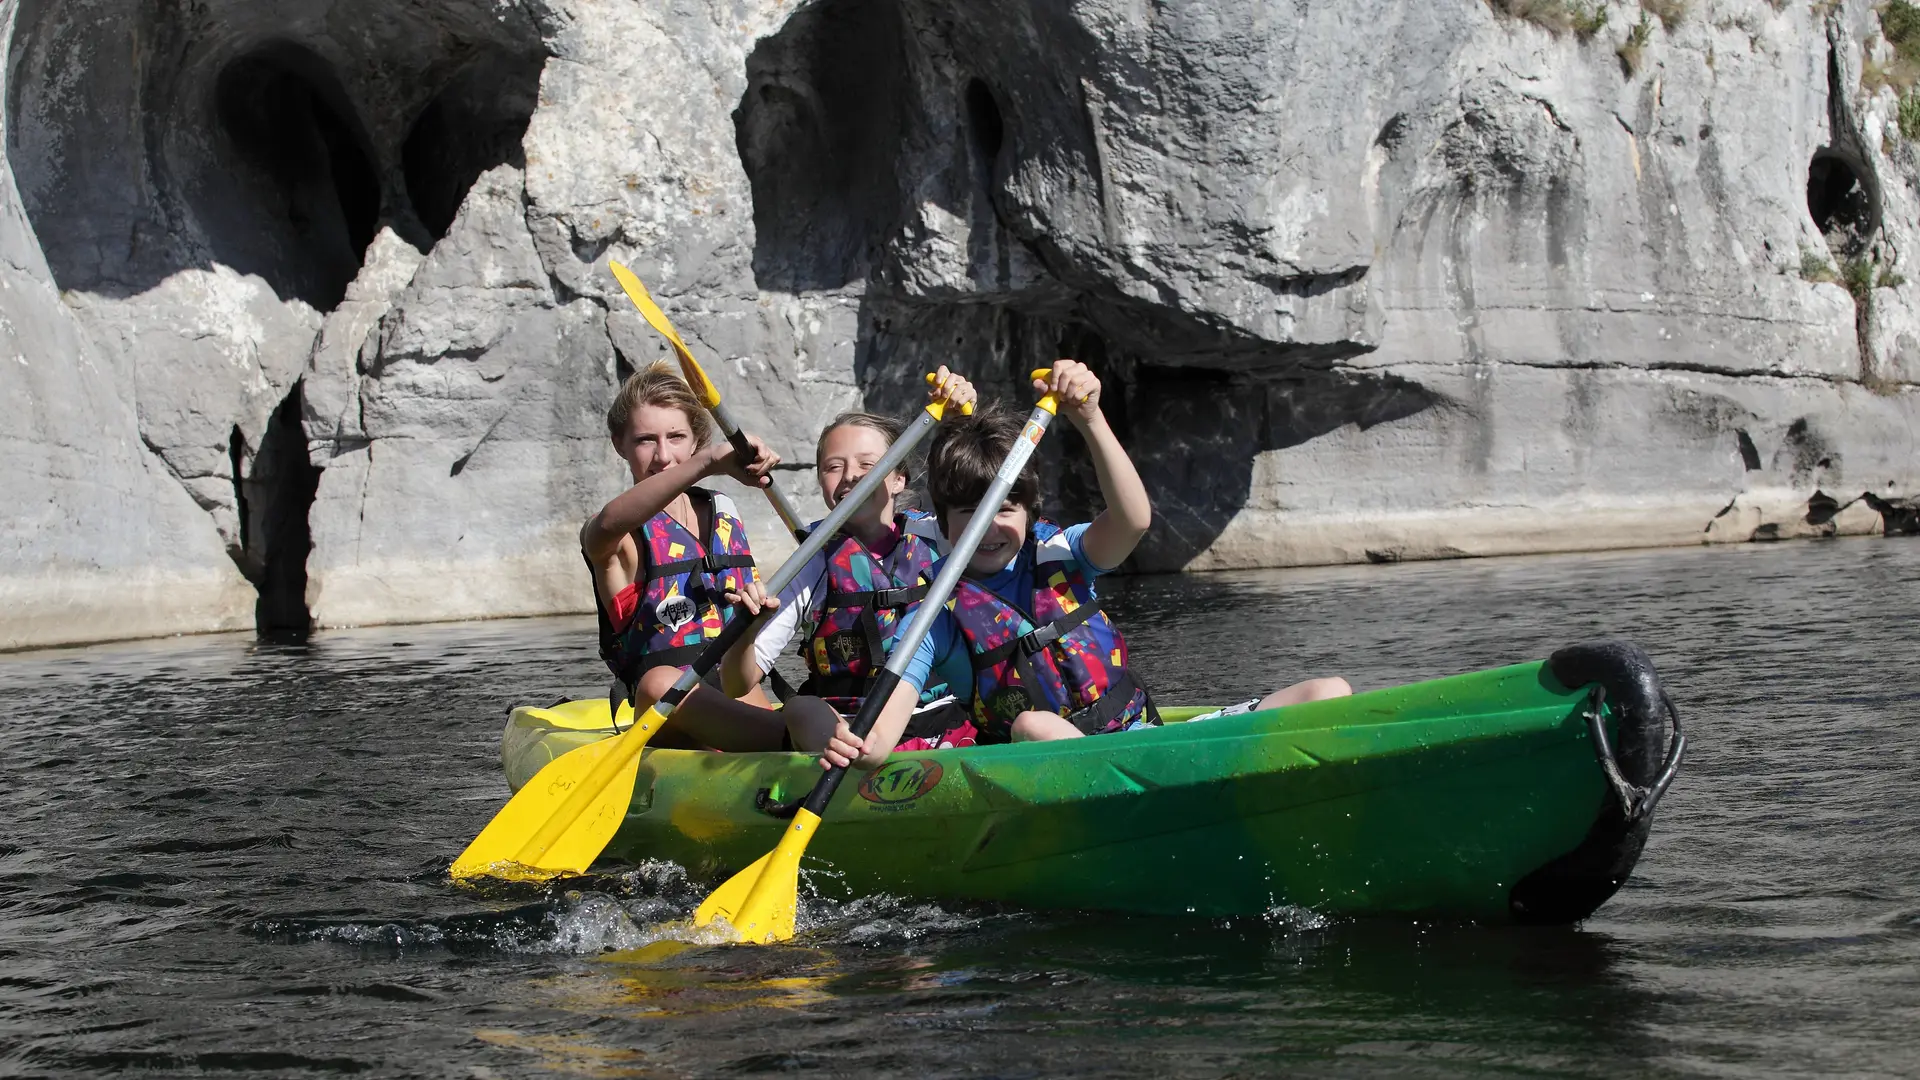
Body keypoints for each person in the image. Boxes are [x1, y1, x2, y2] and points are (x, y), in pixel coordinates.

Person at [819, 360, 1352, 770]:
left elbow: (1134, 520)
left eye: (1004, 509)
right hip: (1056, 775)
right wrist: (853, 742)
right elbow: (883, 731)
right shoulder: (934, 615)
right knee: (1034, 724)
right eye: (968, 513)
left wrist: (1089, 417)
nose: (987, 528)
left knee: (1328, 692)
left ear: (1030, 511)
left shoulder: (1064, 555)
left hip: (1147, 746)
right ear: (943, 521)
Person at [722, 368, 981, 753]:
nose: (849, 477)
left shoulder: (941, 536)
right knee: (801, 708)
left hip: (938, 716)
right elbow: (737, 683)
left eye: (868, 464)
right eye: (833, 467)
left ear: (899, 480)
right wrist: (746, 630)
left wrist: (964, 420)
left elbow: (981, 484)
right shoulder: (813, 559)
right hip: (841, 726)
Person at [581, 360, 795, 751]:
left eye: (676, 437)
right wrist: (708, 463)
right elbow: (608, 525)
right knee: (662, 683)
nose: (663, 456)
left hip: (733, 685)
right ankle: (792, 743)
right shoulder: (618, 533)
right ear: (620, 444)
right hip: (662, 709)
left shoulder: (723, 512)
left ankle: (805, 743)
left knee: (804, 705)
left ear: (694, 439)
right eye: (646, 440)